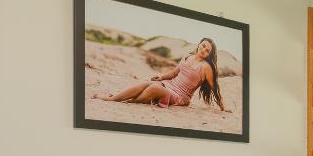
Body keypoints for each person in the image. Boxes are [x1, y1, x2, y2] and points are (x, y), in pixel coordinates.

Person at [95, 38, 227, 112]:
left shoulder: (206, 67)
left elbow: (215, 88)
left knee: (155, 88)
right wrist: (162, 77)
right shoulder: (188, 56)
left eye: (207, 50)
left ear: (210, 54)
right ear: (199, 44)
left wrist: (222, 107)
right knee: (147, 83)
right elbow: (175, 72)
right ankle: (112, 99)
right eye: (203, 46)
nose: (203, 50)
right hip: (168, 85)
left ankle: (132, 100)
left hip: (181, 96)